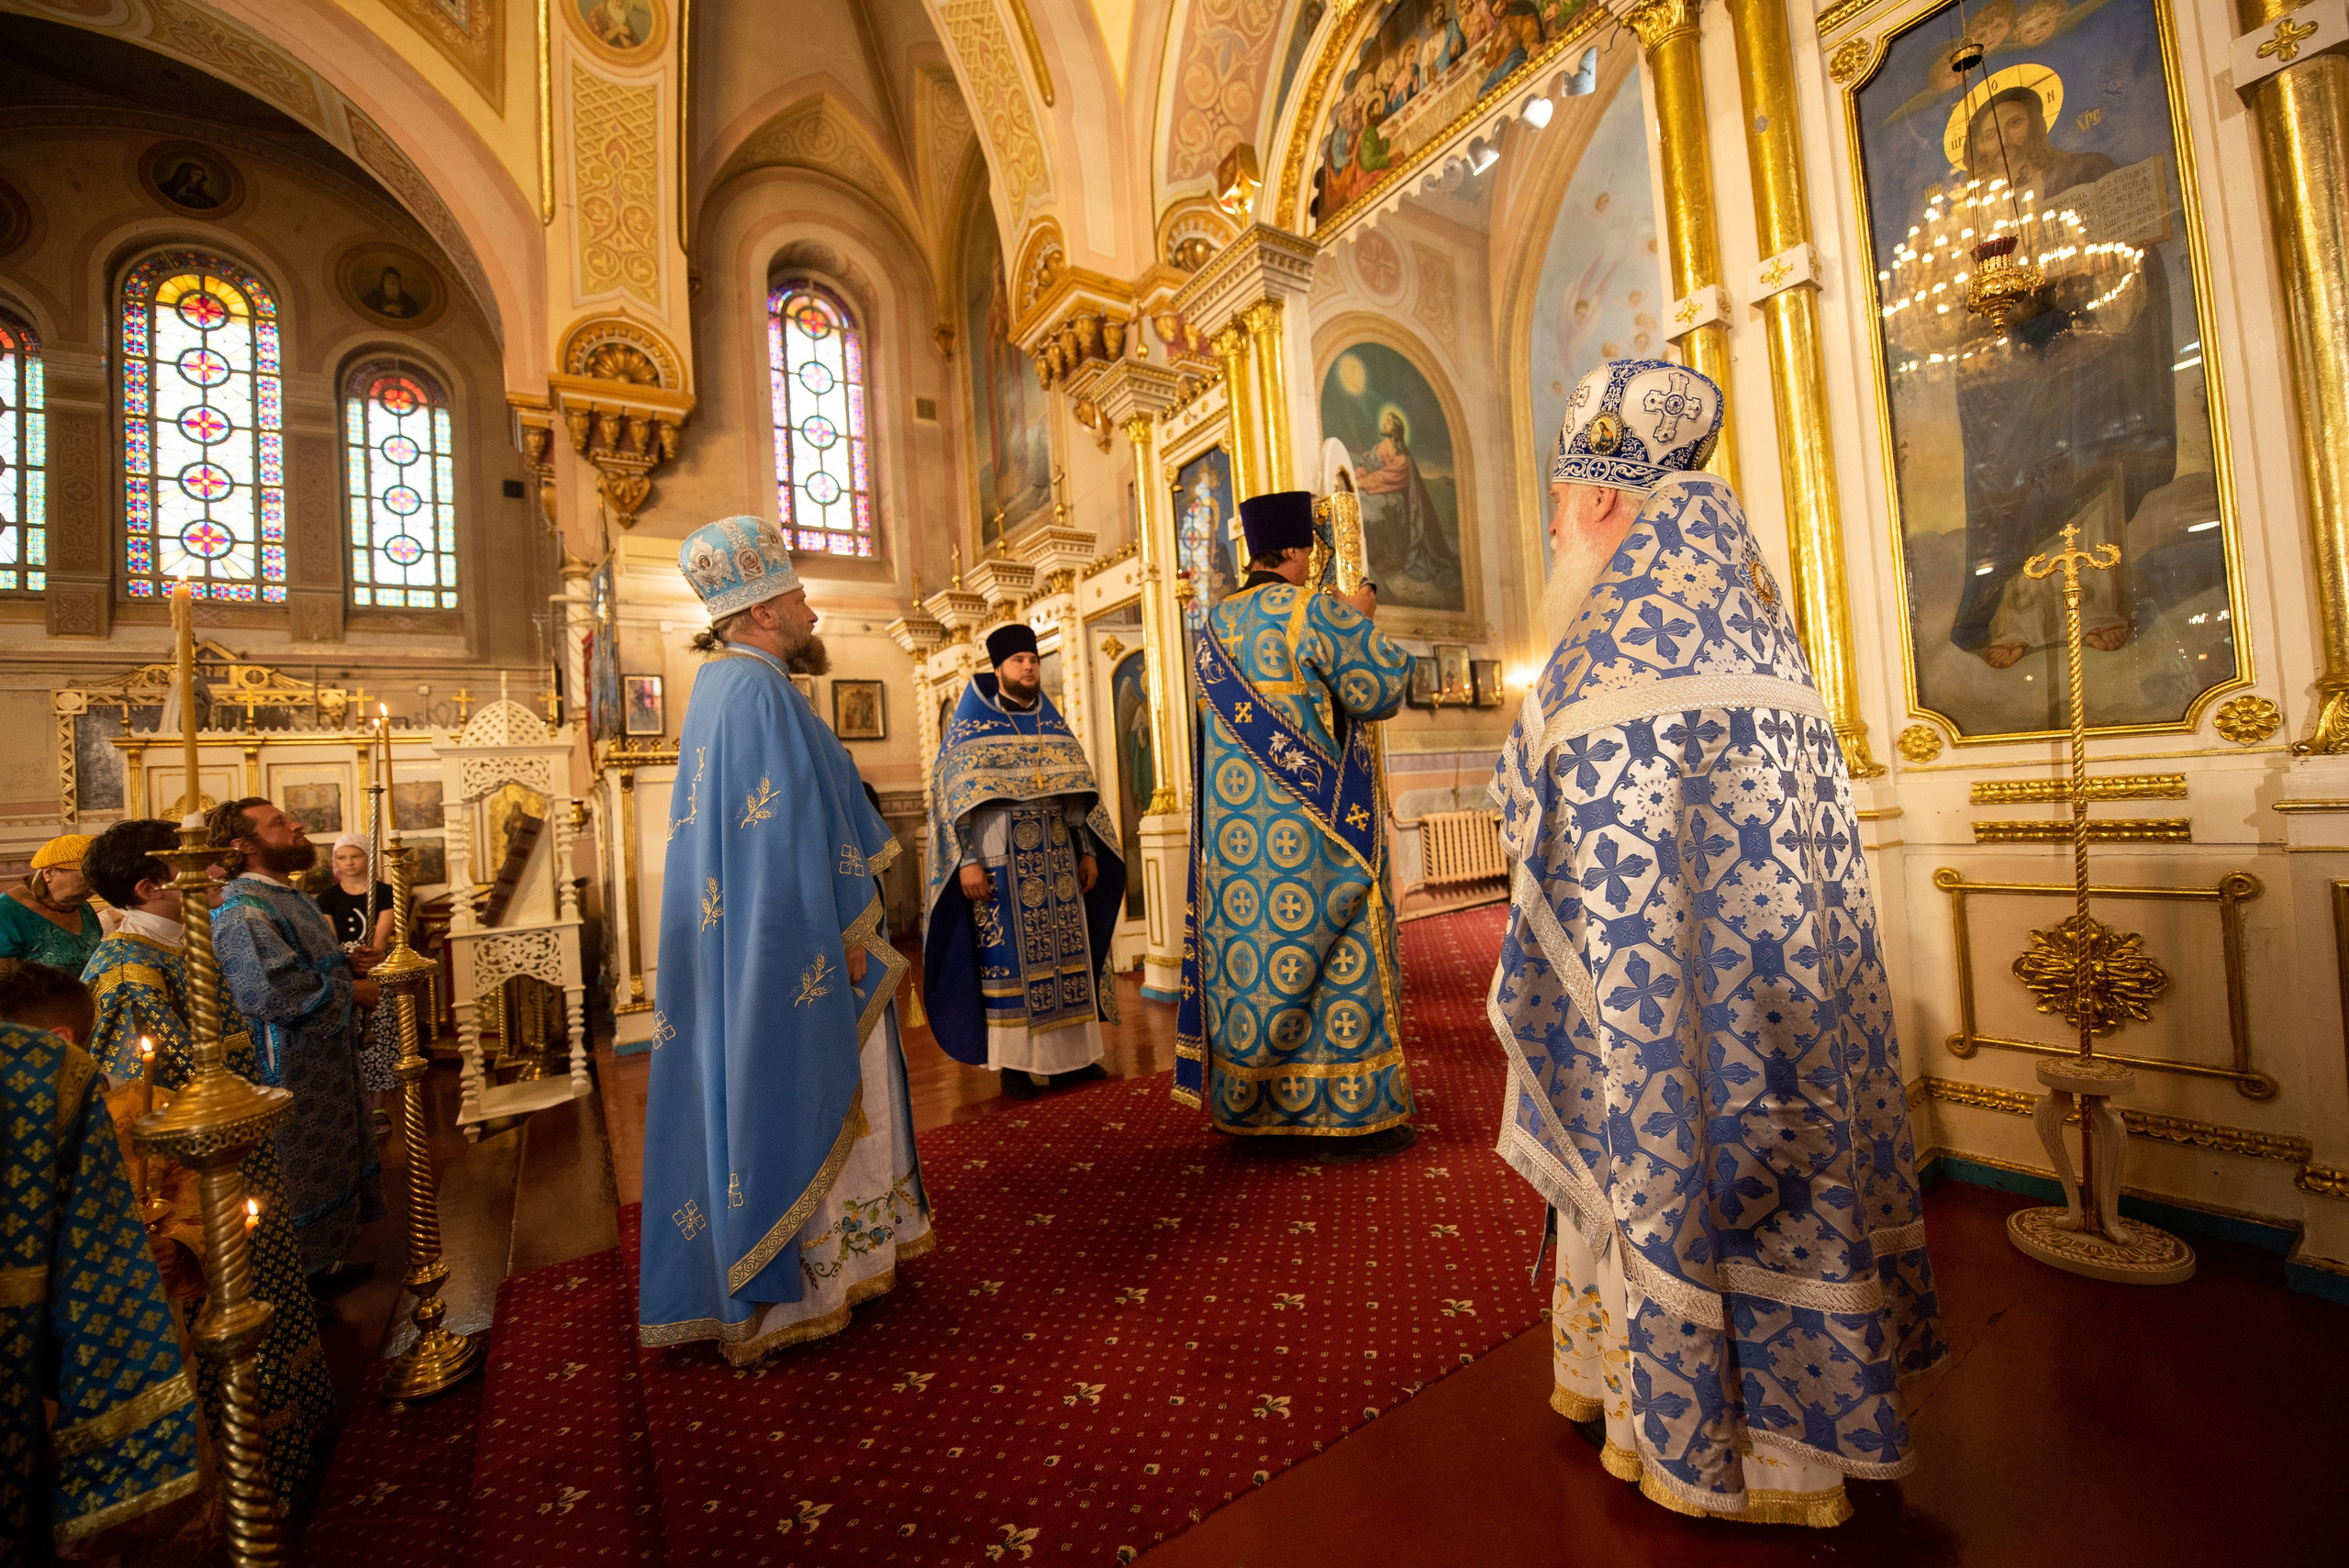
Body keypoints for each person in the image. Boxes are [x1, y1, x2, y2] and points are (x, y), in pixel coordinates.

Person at [1493, 360, 1945, 1525]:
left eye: (1557, 503)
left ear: (1599, 501)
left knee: (1664, 1166)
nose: (1554, 526)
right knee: (1795, 1175)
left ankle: (1684, 1436)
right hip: (1796, 1023)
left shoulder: (1591, 662)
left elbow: (1531, 824)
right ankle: (1813, 1449)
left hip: (1665, 1047)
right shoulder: (1772, 642)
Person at [640, 516, 930, 1364]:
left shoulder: (722, 686)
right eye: (798, 593)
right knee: (820, 1090)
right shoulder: (760, 690)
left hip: (758, 944)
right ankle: (811, 1283)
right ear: (762, 610)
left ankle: (819, 1270)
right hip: (798, 947)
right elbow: (780, 838)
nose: (810, 607)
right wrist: (836, 939)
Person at [75, 818, 338, 1508]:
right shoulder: (128, 974)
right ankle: (253, 1481)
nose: (219, 877)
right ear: (150, 886)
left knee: (268, 1302)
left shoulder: (177, 944)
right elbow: (144, 1099)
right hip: (199, 1182)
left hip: (240, 1154)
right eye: (199, 869)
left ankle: (295, 1448)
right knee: (231, 1318)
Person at [1175, 490, 1416, 1160]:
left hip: (1238, 850)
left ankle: (1252, 1110)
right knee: (1345, 958)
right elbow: (1383, 688)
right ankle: (1348, 1110)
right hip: (1321, 834)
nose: (1312, 561)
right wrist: (1360, 620)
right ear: (1289, 552)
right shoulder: (1313, 613)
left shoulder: (1215, 626)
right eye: (1307, 550)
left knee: (1253, 966)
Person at [0, 959, 211, 1563]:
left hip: (138, 1335)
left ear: (50, 1047)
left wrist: (179, 1246)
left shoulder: (142, 1110)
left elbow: (205, 1208)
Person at [924, 623, 1127, 1102]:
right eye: (1018, 661)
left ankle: (1069, 1064)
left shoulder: (1050, 723)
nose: (1029, 667)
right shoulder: (971, 724)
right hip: (1000, 860)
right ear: (998, 670)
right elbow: (952, 802)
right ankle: (1014, 1068)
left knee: (1065, 957)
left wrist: (1087, 850)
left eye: (1033, 660)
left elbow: (1075, 794)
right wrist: (968, 862)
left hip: (1056, 857)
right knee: (1008, 962)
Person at [207, 797, 386, 1276]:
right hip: (287, 1066)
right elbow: (270, 991)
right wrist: (351, 995)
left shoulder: (286, 894)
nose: (297, 823)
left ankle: (326, 1262)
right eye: (278, 823)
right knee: (298, 1170)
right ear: (242, 845)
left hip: (323, 1057)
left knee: (331, 1157)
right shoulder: (242, 909)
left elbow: (302, 964)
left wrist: (347, 965)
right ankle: (297, 1280)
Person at [316, 832, 401, 1130]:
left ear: (367, 858)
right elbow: (329, 938)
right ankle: (354, 1105)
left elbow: (382, 932)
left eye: (355, 856)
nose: (349, 862)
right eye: (342, 857)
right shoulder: (326, 898)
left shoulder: (386, 892)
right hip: (342, 968)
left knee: (379, 1034)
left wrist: (374, 955)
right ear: (335, 862)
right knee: (348, 1035)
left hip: (377, 963)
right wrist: (344, 964)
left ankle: (377, 1108)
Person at [1, 833, 103, 974]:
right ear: (49, 873)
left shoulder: (82, 907)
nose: (93, 889)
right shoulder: (6, 913)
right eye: (86, 880)